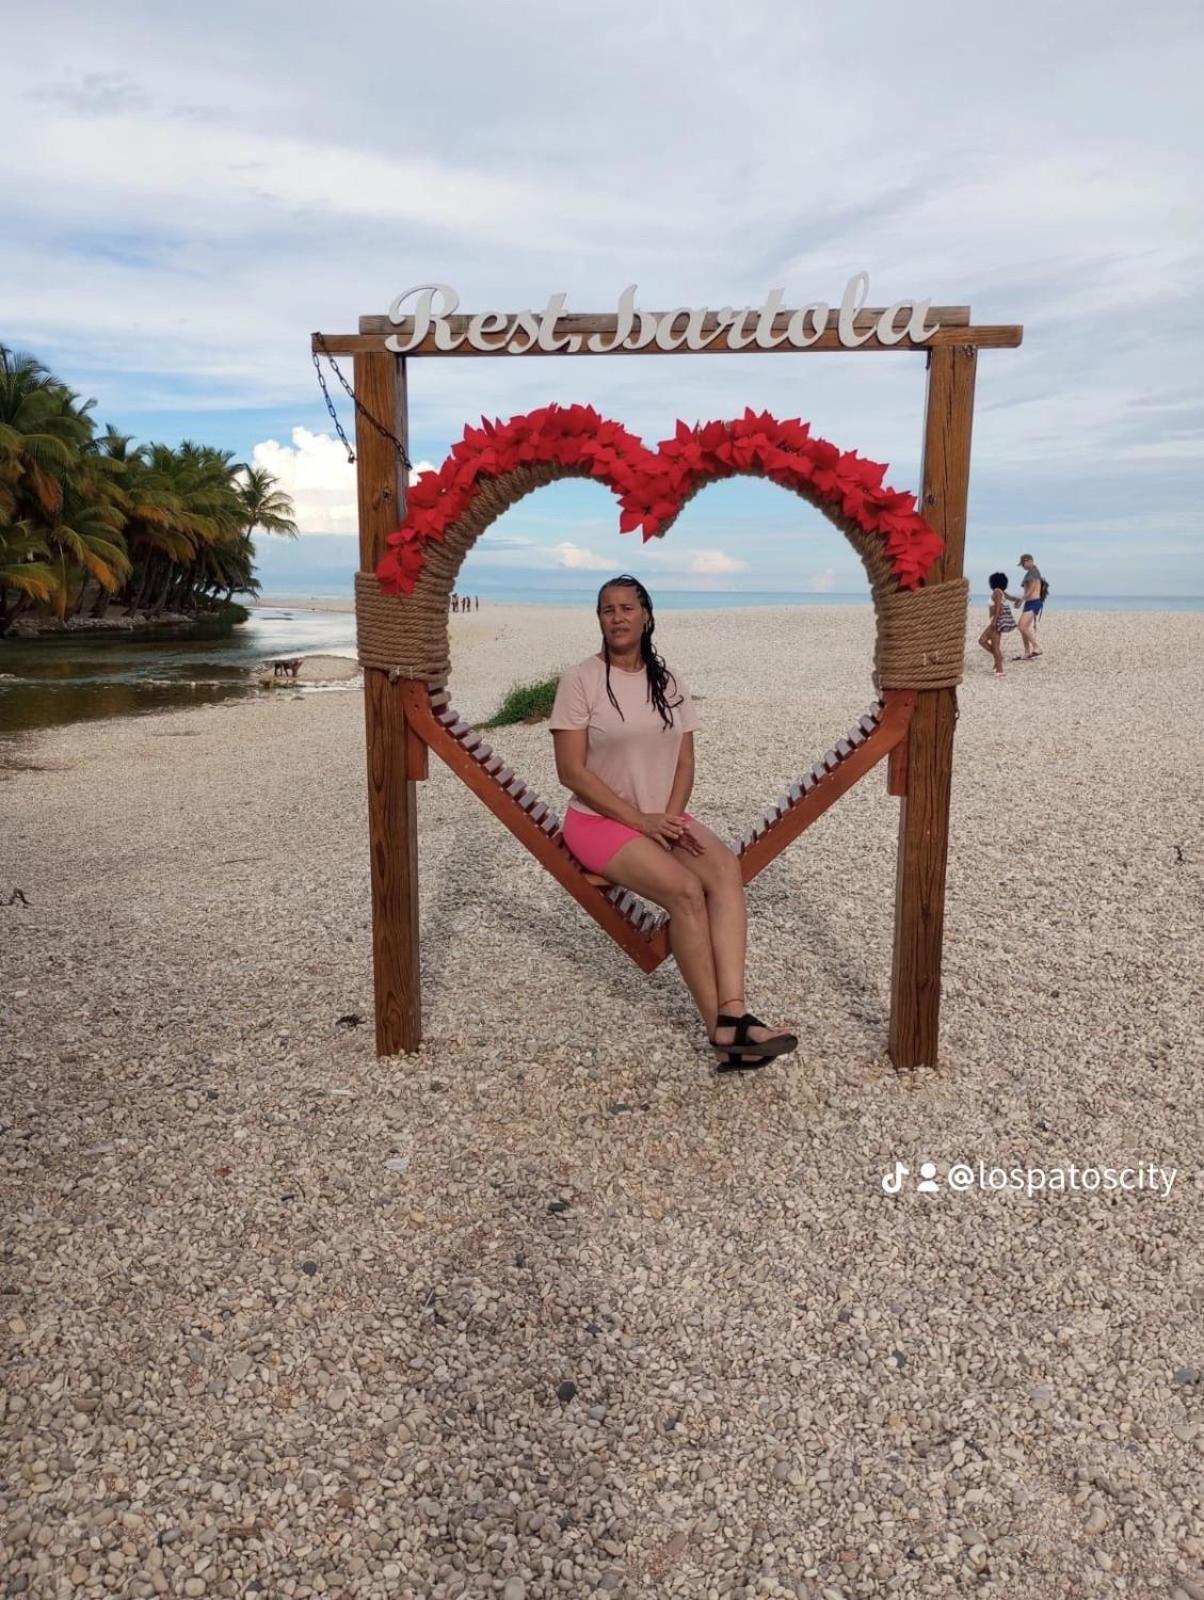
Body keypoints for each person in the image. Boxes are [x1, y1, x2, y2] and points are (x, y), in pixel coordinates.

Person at [549, 574, 798, 1073]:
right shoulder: (581, 680)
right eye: (606, 610)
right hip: (599, 822)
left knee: (725, 869)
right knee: (685, 891)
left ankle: (735, 1009)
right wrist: (641, 821)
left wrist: (669, 818)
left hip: (660, 817)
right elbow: (570, 772)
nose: (616, 617)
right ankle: (720, 1030)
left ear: (645, 615)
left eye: (625, 608)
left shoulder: (669, 682)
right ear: (598, 619)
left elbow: (685, 763)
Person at [977, 571, 1017, 677]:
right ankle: (999, 663)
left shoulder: (997, 592)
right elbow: (1012, 598)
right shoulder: (1002, 592)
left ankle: (1000, 670)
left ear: (993, 582)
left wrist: (994, 621)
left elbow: (998, 606)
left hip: (996, 621)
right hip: (997, 621)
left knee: (983, 641)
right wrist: (1019, 600)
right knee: (995, 645)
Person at [1009, 554, 1044, 660]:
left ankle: (1037, 647)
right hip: (1029, 603)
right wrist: (1021, 600)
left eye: (1023, 564)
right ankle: (1027, 652)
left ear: (1029, 561)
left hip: (1034, 602)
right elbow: (1028, 590)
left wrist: (1021, 600)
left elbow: (1032, 588)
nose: (1022, 566)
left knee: (1022, 627)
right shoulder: (1030, 572)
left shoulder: (1034, 571)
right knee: (1021, 627)